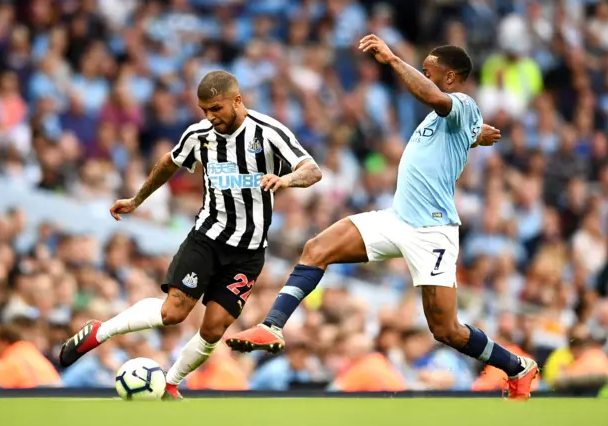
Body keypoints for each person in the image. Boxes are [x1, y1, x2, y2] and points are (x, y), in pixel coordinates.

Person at [226, 34, 539, 400]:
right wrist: (473, 136)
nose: (422, 75)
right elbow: (453, 130)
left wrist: (393, 59)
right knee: (317, 247)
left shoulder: (462, 102)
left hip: (432, 231)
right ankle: (272, 326)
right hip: (397, 219)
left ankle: (518, 367)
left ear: (450, 77)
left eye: (429, 70)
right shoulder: (451, 121)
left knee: (446, 329)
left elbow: (435, 98)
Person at [58, 70, 322, 399]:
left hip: (248, 252)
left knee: (213, 329)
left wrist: (286, 181)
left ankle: (170, 382)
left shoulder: (269, 133)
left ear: (237, 101)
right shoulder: (200, 135)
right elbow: (169, 162)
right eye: (204, 110)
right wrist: (137, 200)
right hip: (207, 239)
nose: (210, 117)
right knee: (173, 313)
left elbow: (312, 170)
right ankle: (101, 330)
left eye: (216, 109)